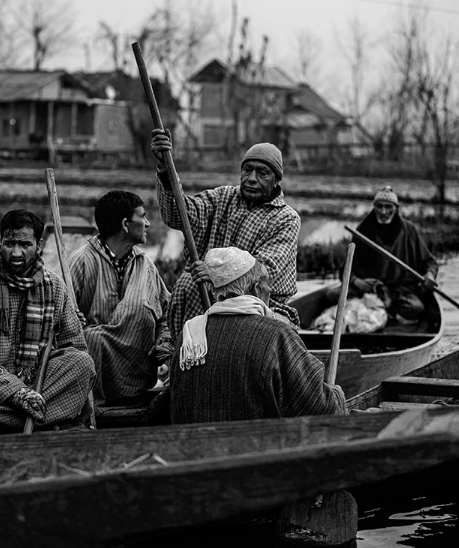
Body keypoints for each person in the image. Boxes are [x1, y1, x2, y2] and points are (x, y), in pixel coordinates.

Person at [0, 209, 96, 434]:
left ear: (39, 245)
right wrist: (16, 392)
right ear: (0, 242)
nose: (16, 252)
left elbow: (74, 346)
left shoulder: (55, 287)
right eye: (9, 244)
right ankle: (48, 419)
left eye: (25, 245)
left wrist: (32, 389)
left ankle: (26, 416)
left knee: (82, 364)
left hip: (38, 385)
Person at [150, 129, 301, 340]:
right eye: (247, 170)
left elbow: (263, 271)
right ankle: (185, 354)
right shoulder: (223, 197)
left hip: (259, 301)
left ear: (276, 180)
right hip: (206, 294)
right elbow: (180, 215)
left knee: (218, 297)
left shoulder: (286, 218)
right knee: (188, 284)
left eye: (262, 173)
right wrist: (167, 170)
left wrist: (215, 273)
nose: (252, 179)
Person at [170, 247, 347, 424]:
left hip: (195, 447)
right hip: (256, 445)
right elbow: (318, 408)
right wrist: (336, 394)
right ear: (256, 289)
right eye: (267, 283)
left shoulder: (189, 336)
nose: (270, 289)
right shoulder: (278, 334)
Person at [69, 191, 173, 406]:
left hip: (139, 379)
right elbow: (65, 322)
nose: (147, 223)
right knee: (93, 338)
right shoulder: (82, 261)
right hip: (95, 382)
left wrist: (164, 339)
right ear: (126, 224)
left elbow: (166, 314)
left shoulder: (145, 265)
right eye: (142, 217)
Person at [346, 185, 438, 324]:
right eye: (380, 206)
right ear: (374, 207)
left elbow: (429, 262)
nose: (383, 211)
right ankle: (383, 311)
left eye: (388, 207)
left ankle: (388, 311)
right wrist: (357, 282)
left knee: (417, 308)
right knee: (330, 296)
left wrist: (429, 275)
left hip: (399, 289)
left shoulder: (408, 230)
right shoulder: (363, 230)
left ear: (395, 209)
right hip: (371, 288)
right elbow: (347, 268)